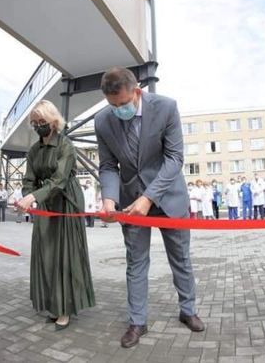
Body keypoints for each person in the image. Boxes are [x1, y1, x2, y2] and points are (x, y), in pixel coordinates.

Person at [95, 67, 203, 348]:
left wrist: (149, 197)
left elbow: (174, 158)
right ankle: (137, 321)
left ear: (137, 92)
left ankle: (188, 310)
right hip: (130, 201)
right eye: (113, 105)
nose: (118, 110)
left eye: (123, 103)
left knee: (180, 258)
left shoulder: (166, 108)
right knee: (135, 262)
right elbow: (108, 165)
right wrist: (109, 199)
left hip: (168, 197)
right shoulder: (102, 121)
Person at [16, 100, 95, 331]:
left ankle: (65, 308)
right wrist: (27, 198)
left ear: (53, 121)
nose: (38, 126)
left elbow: (60, 180)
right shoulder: (33, 151)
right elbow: (28, 180)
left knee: (65, 255)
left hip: (66, 202)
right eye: (34, 122)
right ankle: (53, 303)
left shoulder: (65, 145)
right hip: (45, 203)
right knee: (46, 254)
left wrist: (34, 197)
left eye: (42, 121)